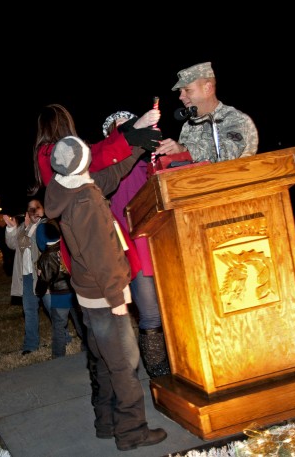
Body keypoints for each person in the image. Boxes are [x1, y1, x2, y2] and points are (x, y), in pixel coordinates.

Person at [44, 135, 168, 451]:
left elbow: (111, 175)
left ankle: (105, 422)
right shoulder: (85, 203)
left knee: (102, 358)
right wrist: (118, 298)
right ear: (83, 162)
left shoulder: (69, 186)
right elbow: (100, 254)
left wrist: (139, 145)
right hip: (105, 295)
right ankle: (131, 432)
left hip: (89, 294)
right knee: (124, 364)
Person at [104, 110, 170, 378]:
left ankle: (184, 361)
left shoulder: (152, 163)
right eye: (121, 131)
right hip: (135, 251)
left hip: (163, 244)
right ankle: (159, 372)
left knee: (174, 308)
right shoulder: (108, 172)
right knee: (151, 312)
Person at [155, 61, 259, 163]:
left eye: (187, 90)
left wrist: (185, 151)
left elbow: (226, 154)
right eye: (180, 92)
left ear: (208, 88)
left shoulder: (234, 118)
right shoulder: (188, 126)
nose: (181, 97)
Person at [2, 198, 51, 355]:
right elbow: (12, 244)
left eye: (37, 207)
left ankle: (63, 337)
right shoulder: (23, 228)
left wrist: (32, 226)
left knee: (52, 308)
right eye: (30, 208)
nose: (34, 210)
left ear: (42, 210)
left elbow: (42, 242)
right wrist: (11, 228)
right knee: (29, 310)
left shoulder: (47, 225)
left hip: (43, 275)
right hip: (27, 276)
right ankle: (31, 344)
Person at [34, 219, 75, 358]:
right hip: (74, 291)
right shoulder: (67, 248)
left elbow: (45, 278)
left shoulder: (45, 257)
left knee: (58, 326)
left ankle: (58, 356)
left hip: (59, 296)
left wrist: (38, 290)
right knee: (80, 321)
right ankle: (89, 346)